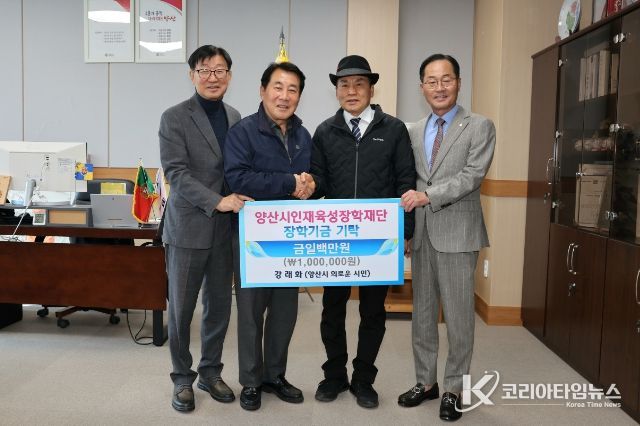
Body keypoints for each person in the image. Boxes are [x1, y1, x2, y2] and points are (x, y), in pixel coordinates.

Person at [309, 55, 416, 409]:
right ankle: (334, 375)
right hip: (337, 238)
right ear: (336, 91)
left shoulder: (394, 129)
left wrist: (406, 231)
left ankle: (364, 379)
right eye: (344, 85)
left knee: (373, 311)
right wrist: (305, 189)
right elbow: (319, 182)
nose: (351, 91)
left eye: (359, 84)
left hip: (379, 238)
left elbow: (405, 181)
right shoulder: (325, 131)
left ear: (371, 89)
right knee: (332, 309)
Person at [397, 53, 495, 422]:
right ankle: (426, 382)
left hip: (458, 234)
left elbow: (472, 176)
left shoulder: (480, 126)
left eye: (446, 79)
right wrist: (407, 229)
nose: (439, 87)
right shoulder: (412, 130)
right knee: (422, 316)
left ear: (458, 82)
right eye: (431, 81)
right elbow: (408, 178)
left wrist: (428, 196)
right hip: (422, 235)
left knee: (458, 319)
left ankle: (454, 389)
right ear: (421, 86)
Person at [159, 45, 252, 413]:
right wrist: (217, 201)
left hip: (225, 230)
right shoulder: (174, 117)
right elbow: (177, 173)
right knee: (181, 310)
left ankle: (210, 372)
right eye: (205, 70)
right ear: (192, 75)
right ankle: (182, 377)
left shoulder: (235, 116)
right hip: (188, 228)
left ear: (229, 75)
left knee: (218, 307)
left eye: (220, 70)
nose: (213, 77)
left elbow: (240, 168)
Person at [224, 61, 314, 411]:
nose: (284, 96)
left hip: (290, 237)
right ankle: (250, 381)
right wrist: (290, 183)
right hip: (252, 237)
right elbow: (239, 179)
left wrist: (311, 185)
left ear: (299, 96)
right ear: (263, 91)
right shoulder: (243, 132)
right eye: (278, 87)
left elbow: (311, 177)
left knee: (284, 312)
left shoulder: (303, 135)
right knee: (250, 312)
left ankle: (274, 375)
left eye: (293, 90)